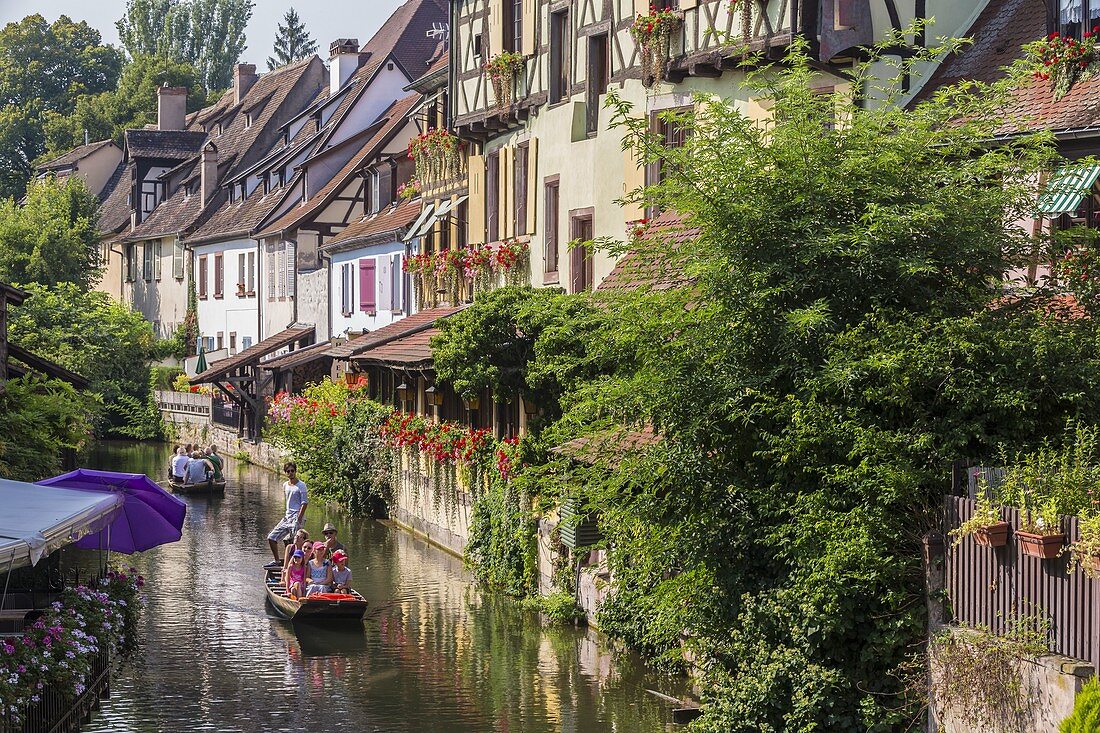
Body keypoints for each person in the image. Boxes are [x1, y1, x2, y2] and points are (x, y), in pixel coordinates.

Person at [266, 462, 308, 565]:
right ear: (286, 473)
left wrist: (298, 519)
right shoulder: (285, 485)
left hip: (297, 517)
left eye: (292, 471)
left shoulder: (301, 485)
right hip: (287, 517)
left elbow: (304, 503)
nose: (290, 473)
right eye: (288, 471)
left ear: (295, 471)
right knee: (271, 538)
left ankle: (297, 563)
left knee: (295, 542)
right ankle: (277, 561)